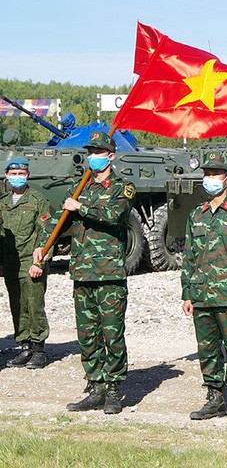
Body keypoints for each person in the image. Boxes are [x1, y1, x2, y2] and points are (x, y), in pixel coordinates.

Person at [34, 131, 135, 414]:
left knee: (111, 334)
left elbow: (113, 215)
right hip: (81, 272)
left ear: (111, 156)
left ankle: (114, 388)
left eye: (99, 152)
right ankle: (95, 386)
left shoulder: (122, 187)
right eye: (91, 151)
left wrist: (81, 206)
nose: (93, 156)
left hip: (109, 274)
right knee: (87, 335)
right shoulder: (80, 187)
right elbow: (60, 221)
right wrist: (42, 244)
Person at [182, 151, 227, 422]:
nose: (210, 179)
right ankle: (214, 398)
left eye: (215, 174)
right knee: (208, 349)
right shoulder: (196, 215)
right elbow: (188, 257)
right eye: (207, 174)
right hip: (201, 295)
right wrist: (187, 293)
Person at [0, 156, 51, 369]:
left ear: (27, 175)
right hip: (10, 262)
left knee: (34, 304)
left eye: (21, 174)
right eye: (13, 174)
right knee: (17, 305)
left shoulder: (38, 200)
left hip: (31, 260)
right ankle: (24, 346)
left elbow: (47, 231)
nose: (17, 178)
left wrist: (39, 262)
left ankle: (38, 349)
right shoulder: (2, 202)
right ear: (6, 176)